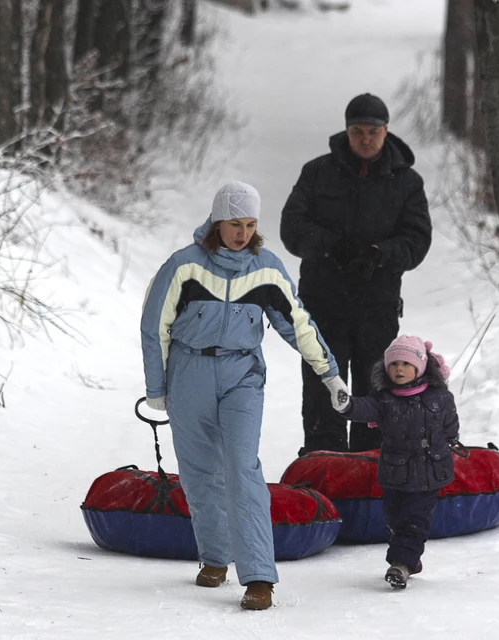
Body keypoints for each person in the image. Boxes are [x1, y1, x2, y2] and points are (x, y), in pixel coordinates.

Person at [140, 181, 349, 611]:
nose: (242, 232)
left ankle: (258, 576)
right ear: (217, 222)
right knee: (199, 472)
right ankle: (215, 557)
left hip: (242, 374)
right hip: (189, 371)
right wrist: (156, 388)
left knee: (242, 467)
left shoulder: (267, 269)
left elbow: (298, 325)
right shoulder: (184, 266)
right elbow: (153, 326)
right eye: (235, 224)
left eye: (250, 224)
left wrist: (330, 374)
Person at [280, 93, 433, 455]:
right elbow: (292, 229)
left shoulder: (407, 182)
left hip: (376, 306)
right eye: (357, 131)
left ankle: (372, 463)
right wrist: (334, 246)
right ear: (346, 130)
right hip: (322, 305)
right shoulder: (316, 173)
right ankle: (323, 461)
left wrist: (380, 254)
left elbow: (417, 239)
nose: (365, 139)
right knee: (323, 385)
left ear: (386, 131)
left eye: (373, 131)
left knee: (376, 387)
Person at [335, 335, 459, 590]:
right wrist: (346, 405)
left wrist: (449, 443)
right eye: (394, 365)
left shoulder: (440, 397)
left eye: (405, 363)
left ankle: (401, 565)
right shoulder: (384, 400)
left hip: (428, 473)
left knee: (415, 521)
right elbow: (363, 408)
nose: (399, 369)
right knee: (394, 518)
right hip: (396, 473)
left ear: (420, 367)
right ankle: (410, 557)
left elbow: (450, 425)